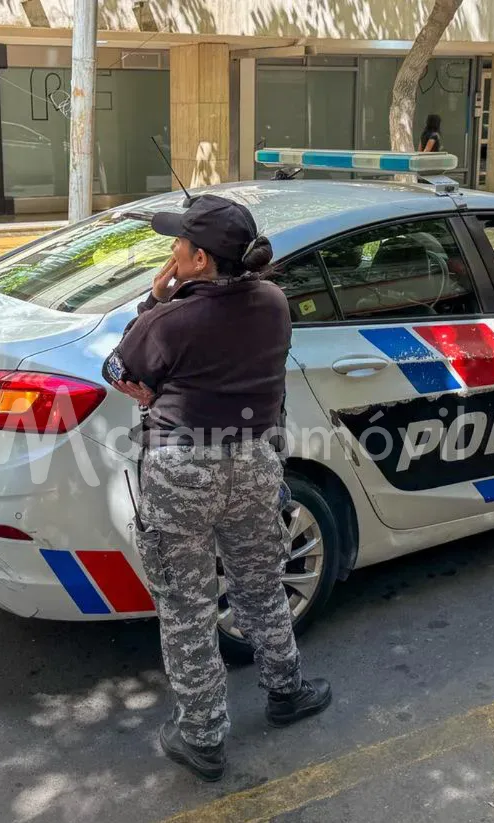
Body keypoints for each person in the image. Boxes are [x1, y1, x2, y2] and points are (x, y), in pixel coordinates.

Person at [102, 195, 332, 783]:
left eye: (179, 243)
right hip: (255, 462)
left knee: (187, 605)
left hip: (183, 469)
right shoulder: (274, 301)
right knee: (260, 583)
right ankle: (287, 690)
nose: (172, 250)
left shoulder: (170, 318)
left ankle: (203, 737)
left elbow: (118, 371)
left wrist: (153, 299)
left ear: (200, 259)